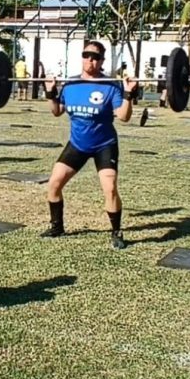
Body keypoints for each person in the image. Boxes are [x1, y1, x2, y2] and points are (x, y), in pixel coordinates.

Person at [42, 40, 137, 250]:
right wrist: (50, 91)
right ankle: (57, 227)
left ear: (102, 61)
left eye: (95, 57)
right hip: (78, 144)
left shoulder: (110, 86)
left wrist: (129, 94)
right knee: (54, 185)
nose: (90, 60)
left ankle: (116, 232)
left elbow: (123, 116)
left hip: (104, 144)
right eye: (86, 55)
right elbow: (57, 111)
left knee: (110, 188)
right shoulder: (71, 84)